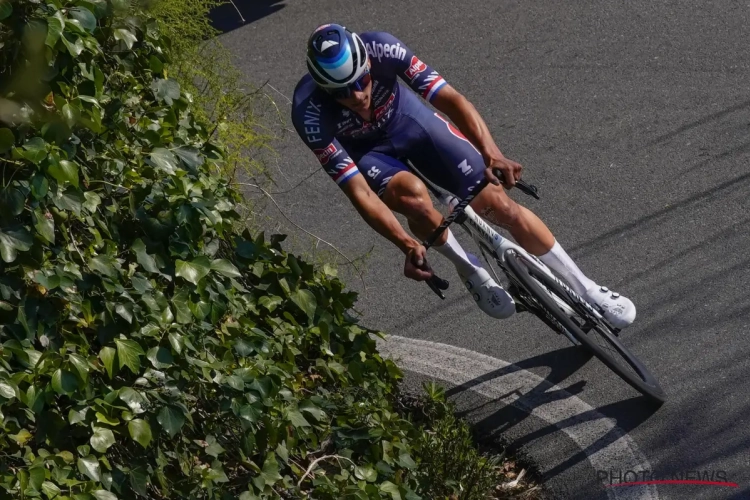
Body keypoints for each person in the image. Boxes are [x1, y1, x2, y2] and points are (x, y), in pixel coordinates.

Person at [291, 24, 635, 328]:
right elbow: (360, 193)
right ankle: (468, 268)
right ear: (323, 89)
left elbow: (451, 100)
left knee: (500, 206)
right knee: (413, 199)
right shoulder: (308, 112)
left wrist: (492, 153)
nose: (357, 96)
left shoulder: (383, 48)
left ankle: (587, 288)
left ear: (367, 63)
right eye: (340, 92)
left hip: (409, 123)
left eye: (361, 81)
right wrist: (407, 244)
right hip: (371, 155)